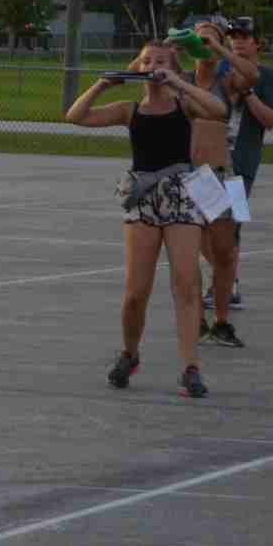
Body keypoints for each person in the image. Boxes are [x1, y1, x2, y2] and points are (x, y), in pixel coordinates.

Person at [66, 40, 227, 398]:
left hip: (181, 195)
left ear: (174, 68)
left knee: (186, 284)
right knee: (136, 291)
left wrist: (180, 83)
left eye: (161, 61)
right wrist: (101, 85)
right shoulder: (130, 109)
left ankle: (190, 368)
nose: (153, 66)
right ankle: (129, 353)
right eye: (147, 61)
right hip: (143, 198)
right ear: (138, 67)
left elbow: (218, 110)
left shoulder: (184, 103)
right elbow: (75, 116)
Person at [184, 20, 259, 349]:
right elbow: (137, 70)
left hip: (229, 173)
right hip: (193, 174)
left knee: (228, 251)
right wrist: (176, 44)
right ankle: (198, 319)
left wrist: (218, 48)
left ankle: (222, 322)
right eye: (199, 39)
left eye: (210, 38)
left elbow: (252, 76)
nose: (204, 44)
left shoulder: (227, 81)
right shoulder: (180, 80)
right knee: (194, 249)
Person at [219, 18, 273, 311]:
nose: (238, 41)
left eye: (244, 36)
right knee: (206, 223)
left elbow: (270, 120)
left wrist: (247, 93)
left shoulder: (268, 77)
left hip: (241, 164)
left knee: (232, 225)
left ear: (258, 42)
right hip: (209, 159)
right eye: (233, 36)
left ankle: (229, 286)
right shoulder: (219, 71)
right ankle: (213, 282)